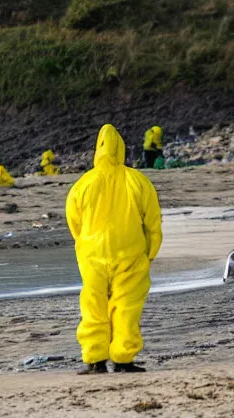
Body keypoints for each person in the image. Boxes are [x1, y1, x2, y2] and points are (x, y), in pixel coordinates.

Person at [66, 124, 162, 374]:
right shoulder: (138, 181)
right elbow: (153, 222)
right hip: (130, 254)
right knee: (127, 306)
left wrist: (85, 245)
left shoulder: (82, 184)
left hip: (92, 255)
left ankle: (95, 358)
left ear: (97, 151)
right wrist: (150, 253)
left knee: (93, 305)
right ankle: (122, 357)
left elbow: (74, 222)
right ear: (121, 150)